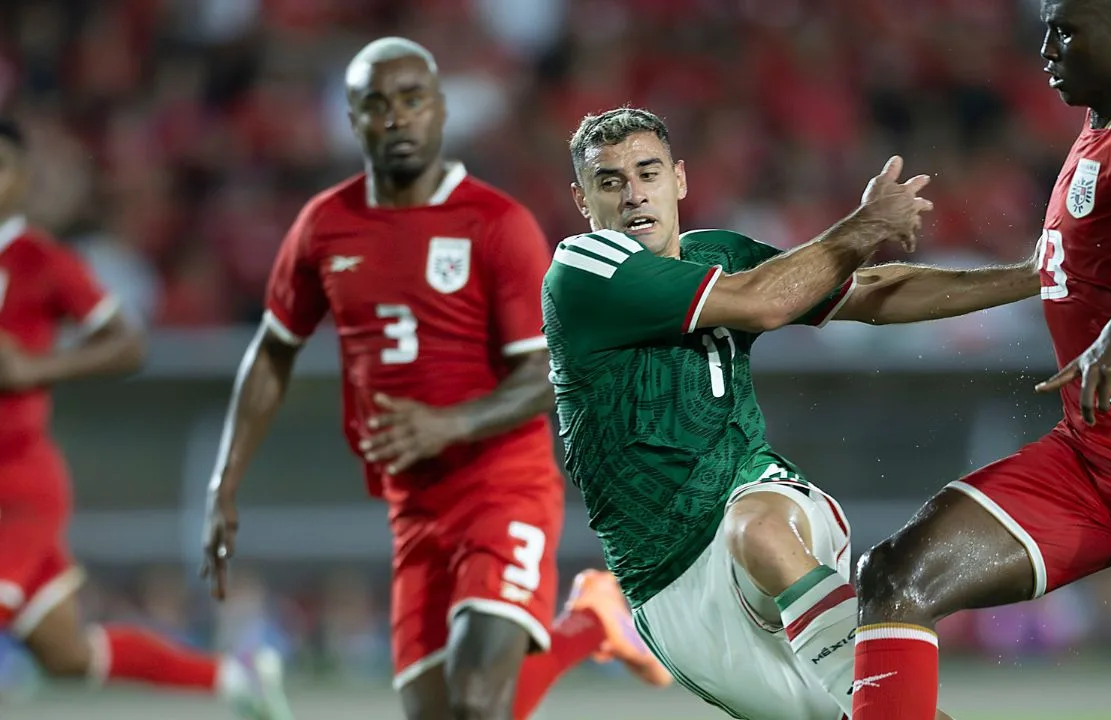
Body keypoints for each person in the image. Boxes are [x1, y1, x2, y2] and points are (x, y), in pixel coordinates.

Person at [201, 39, 669, 720]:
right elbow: (273, 351)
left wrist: (449, 422)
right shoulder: (325, 225)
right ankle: (593, 624)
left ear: (441, 109)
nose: (396, 119)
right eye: (376, 105)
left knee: (477, 703)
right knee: (445, 711)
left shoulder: (495, 223)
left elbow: (549, 370)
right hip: (412, 504)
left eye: (413, 100)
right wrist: (225, 482)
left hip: (501, 485)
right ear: (354, 118)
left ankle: (592, 623)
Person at [851, 1, 1111, 718]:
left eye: (1064, 28)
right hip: (1091, 459)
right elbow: (1046, 272)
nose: (1045, 44)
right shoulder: (1099, 135)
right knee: (897, 576)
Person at [543, 106, 1041, 719]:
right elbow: (760, 302)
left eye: (647, 173)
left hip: (757, 501)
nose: (633, 194)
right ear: (581, 198)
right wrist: (862, 226)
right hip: (669, 591)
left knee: (759, 528)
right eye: (610, 181)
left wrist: (1036, 273)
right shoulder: (581, 270)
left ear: (679, 179)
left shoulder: (721, 251)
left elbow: (875, 293)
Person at [0, 119, 291, 718]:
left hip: (17, 484)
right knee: (68, 655)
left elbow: (128, 342)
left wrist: (34, 369)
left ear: (23, 180)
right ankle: (236, 679)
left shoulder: (38, 261)